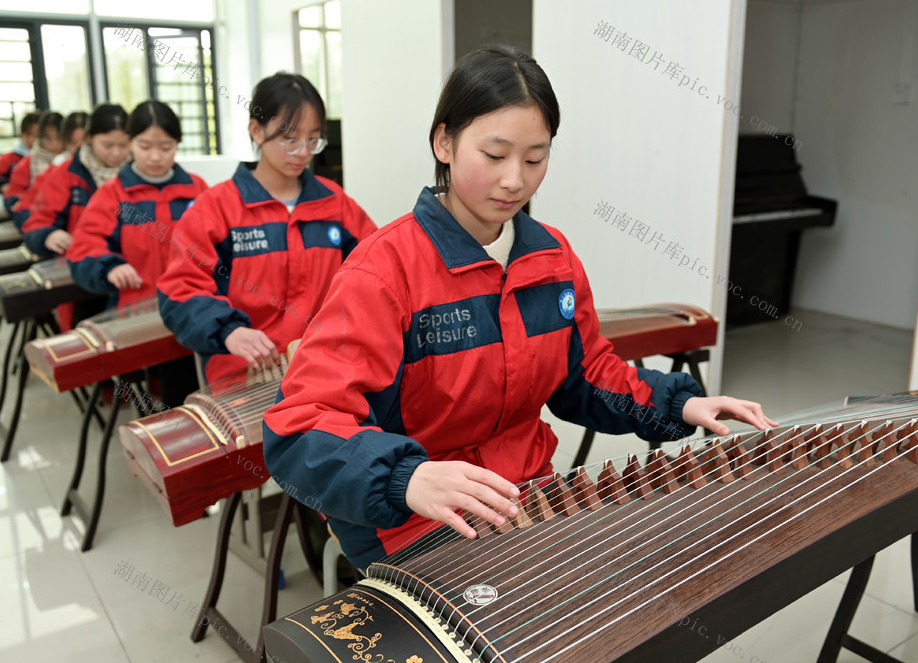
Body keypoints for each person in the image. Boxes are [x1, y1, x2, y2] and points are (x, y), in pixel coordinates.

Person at [262, 46, 779, 571]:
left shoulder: (551, 258)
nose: (516, 180)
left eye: (536, 158)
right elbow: (301, 427)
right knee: (492, 641)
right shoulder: (383, 271)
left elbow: (585, 376)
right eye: (494, 155)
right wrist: (407, 477)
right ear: (444, 142)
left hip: (521, 489)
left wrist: (679, 405)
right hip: (409, 515)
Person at [157, 72, 377, 388]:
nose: (303, 151)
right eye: (289, 138)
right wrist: (228, 330)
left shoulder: (334, 203)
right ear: (256, 130)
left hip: (320, 368)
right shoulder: (216, 209)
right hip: (244, 376)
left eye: (313, 139)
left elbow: (376, 270)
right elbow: (179, 290)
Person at [67, 101, 209, 406]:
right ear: (131, 142)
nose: (156, 156)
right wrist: (108, 267)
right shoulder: (114, 194)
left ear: (178, 144)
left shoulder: (197, 190)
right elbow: (83, 249)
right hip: (134, 315)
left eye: (166, 146)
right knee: (144, 401)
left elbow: (218, 248)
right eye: (144, 146)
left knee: (183, 395)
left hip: (186, 311)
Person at [23, 103, 129, 329]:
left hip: (132, 278)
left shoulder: (137, 174)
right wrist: (47, 235)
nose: (117, 153)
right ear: (90, 138)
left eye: (124, 145)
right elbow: (35, 221)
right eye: (108, 145)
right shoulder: (68, 175)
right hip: (85, 280)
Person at [12, 111, 89, 228]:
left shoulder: (117, 175)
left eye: (85, 143)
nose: (80, 150)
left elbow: (122, 213)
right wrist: (47, 234)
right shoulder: (57, 169)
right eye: (73, 143)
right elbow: (36, 211)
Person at [3, 111, 64, 223]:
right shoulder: (29, 162)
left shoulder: (71, 160)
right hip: (36, 215)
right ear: (40, 137)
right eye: (48, 139)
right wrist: (19, 203)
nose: (54, 144)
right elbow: (14, 192)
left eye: (59, 139)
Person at [0, 111, 41, 202]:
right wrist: (1, 186)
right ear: (25, 136)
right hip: (19, 201)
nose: (41, 140)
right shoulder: (11, 158)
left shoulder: (54, 156)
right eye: (36, 136)